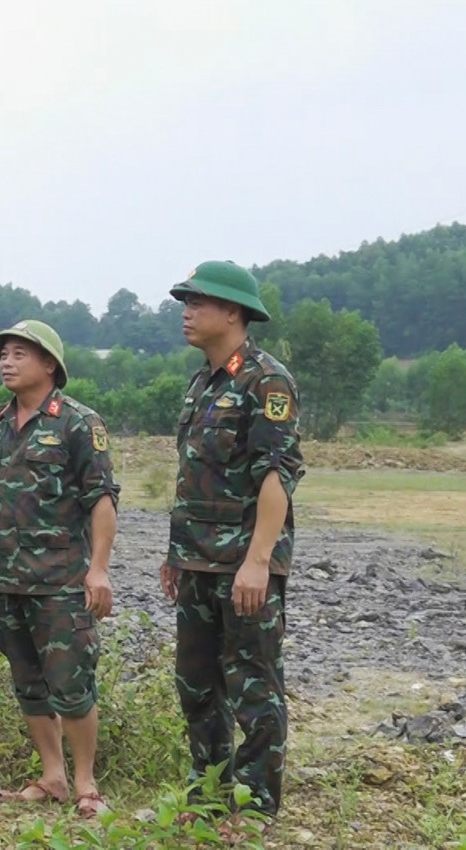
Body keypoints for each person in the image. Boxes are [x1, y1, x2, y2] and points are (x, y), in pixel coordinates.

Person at [0, 319, 118, 818]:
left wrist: (99, 569)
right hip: (6, 581)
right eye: (3, 354)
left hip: (61, 582)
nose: (7, 362)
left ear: (49, 364)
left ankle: (86, 785)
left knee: (72, 685)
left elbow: (102, 499)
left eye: (20, 354)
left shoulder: (78, 424)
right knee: (28, 683)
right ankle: (52, 776)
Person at [161, 261, 304, 831]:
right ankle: (209, 792)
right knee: (196, 684)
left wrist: (259, 561)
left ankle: (256, 803)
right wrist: (176, 554)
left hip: (245, 562)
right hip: (198, 559)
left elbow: (276, 476)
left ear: (232, 312)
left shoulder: (266, 381)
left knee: (253, 684)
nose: (187, 312)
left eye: (197, 302)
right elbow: (195, 476)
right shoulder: (203, 383)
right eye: (185, 302)